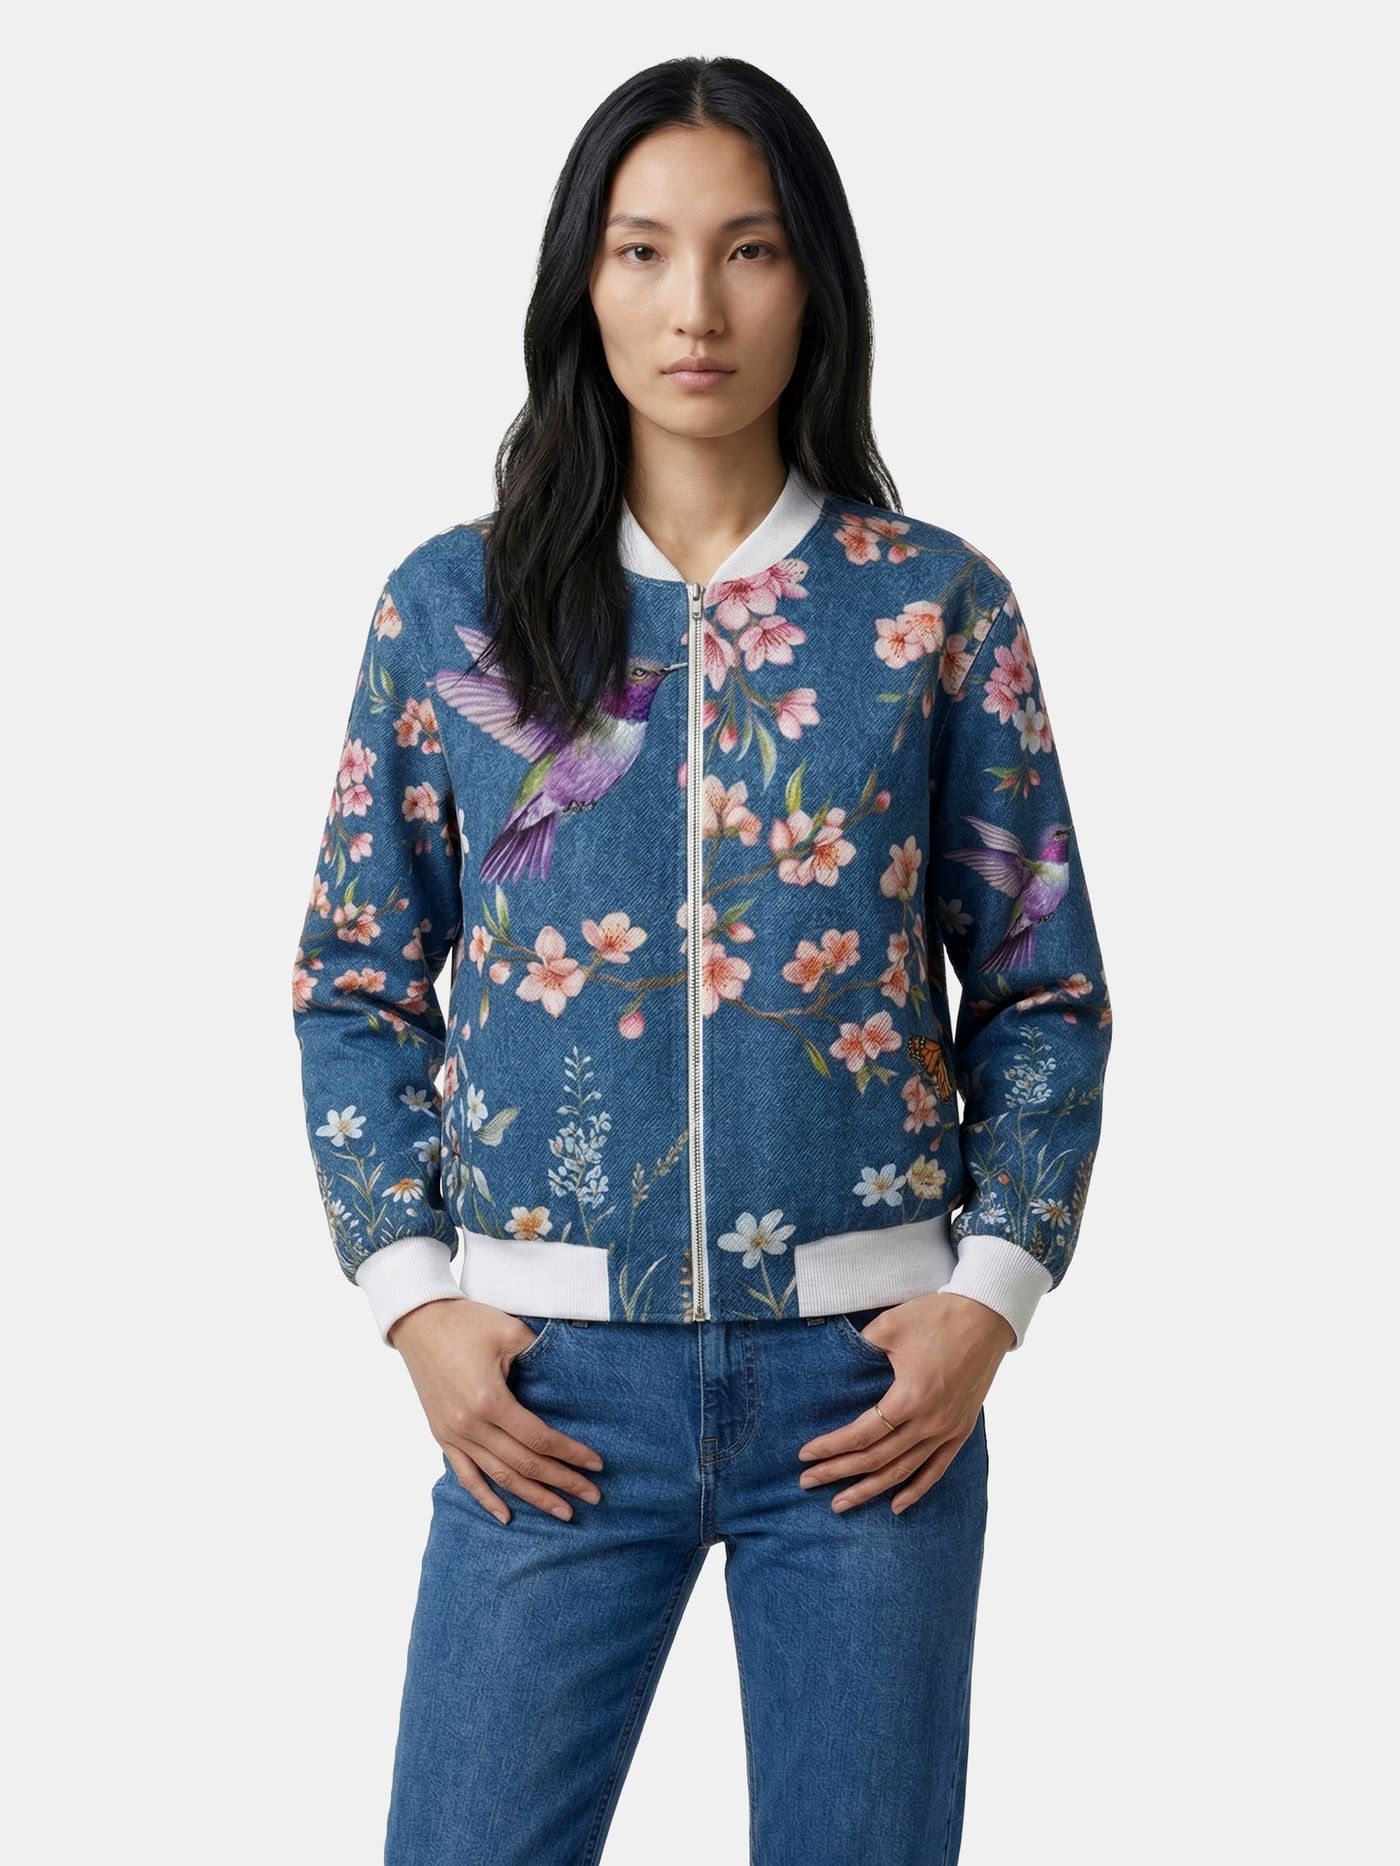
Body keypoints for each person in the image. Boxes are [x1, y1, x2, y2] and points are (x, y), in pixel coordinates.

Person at [290, 54, 1113, 1866]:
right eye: (643, 250)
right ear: (582, 282)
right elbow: (356, 976)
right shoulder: (454, 607)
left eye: (749, 250)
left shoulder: (930, 605)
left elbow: (1042, 985)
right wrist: (415, 1297)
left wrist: (990, 1294)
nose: (696, 309)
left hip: (868, 1393)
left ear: (813, 279)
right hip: (549, 1392)